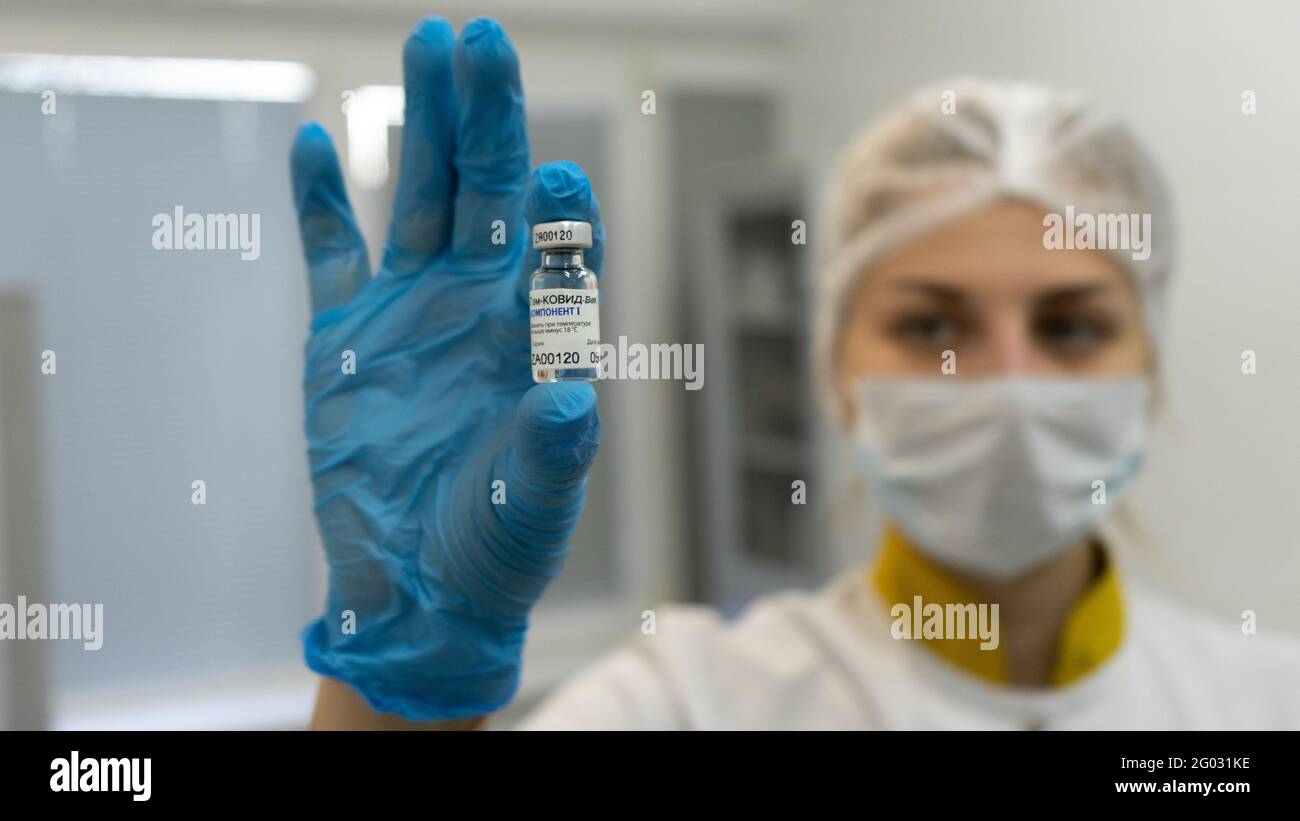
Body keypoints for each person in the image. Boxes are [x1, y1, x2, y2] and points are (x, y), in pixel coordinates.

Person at [292, 17, 1300, 730]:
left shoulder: (1267, 702)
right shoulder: (691, 700)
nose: (1003, 381)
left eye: (1071, 327)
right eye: (930, 322)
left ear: (1151, 368)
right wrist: (398, 696)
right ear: (834, 368)